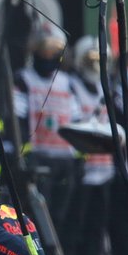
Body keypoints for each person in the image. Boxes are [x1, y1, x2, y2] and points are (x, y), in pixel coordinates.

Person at [13, 30, 80, 241]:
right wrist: (25, 153)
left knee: (63, 216)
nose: (48, 57)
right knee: (40, 217)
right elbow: (18, 118)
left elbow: (76, 120)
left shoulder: (68, 82)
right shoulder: (24, 79)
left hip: (65, 159)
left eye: (54, 52)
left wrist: (78, 158)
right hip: (39, 158)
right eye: (44, 51)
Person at [67, 36, 116, 255]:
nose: (95, 65)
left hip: (103, 168)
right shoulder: (72, 85)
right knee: (76, 226)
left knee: (97, 226)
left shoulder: (104, 87)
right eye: (91, 60)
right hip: (81, 169)